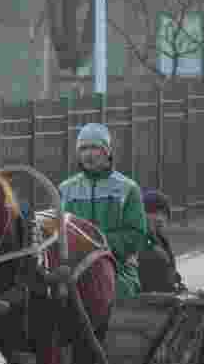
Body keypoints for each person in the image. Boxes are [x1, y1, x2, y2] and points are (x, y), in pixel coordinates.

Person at [59, 122, 148, 299]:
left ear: (107, 152)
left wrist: (96, 243)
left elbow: (136, 235)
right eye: (83, 148)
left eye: (94, 147)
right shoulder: (65, 189)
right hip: (75, 271)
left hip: (118, 269)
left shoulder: (128, 188)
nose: (88, 154)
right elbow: (58, 232)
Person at [138, 189, 184, 293]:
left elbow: (171, 275)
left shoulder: (161, 240)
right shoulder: (140, 241)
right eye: (153, 213)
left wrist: (179, 285)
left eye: (163, 213)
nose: (159, 218)